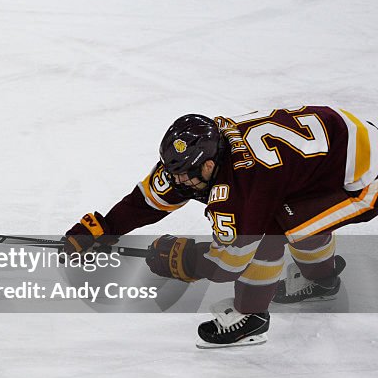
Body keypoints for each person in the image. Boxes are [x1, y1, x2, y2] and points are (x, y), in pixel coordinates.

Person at [61, 106, 378, 347]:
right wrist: (104, 226)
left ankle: (251, 317)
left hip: (366, 182)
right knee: (287, 213)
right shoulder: (202, 156)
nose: (178, 182)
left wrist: (184, 261)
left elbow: (230, 262)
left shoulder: (241, 186)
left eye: (185, 174)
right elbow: (149, 199)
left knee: (271, 230)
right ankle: (322, 282)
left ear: (210, 164)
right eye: (175, 173)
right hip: (340, 145)